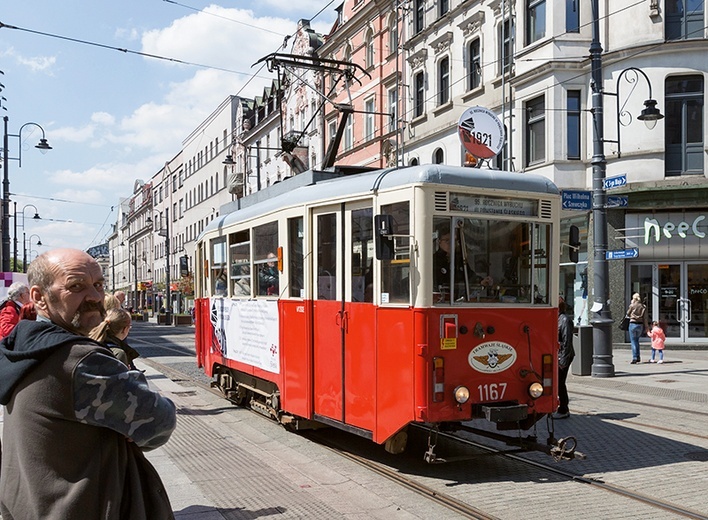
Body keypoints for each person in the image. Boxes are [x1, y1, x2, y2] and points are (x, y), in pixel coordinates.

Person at [0, 248, 176, 519]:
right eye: (76, 286)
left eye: (98, 285)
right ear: (39, 297)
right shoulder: (80, 361)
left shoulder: (23, 346)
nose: (94, 297)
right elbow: (160, 421)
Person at [433, 223, 493, 296]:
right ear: (439, 242)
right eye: (447, 241)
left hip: (457, 299)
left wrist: (481, 281)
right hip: (440, 300)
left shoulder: (458, 259)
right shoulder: (434, 260)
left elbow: (469, 275)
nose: (451, 244)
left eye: (454, 240)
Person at [554, 296, 575, 420]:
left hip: (563, 355)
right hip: (558, 354)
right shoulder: (556, 319)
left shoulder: (565, 320)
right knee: (557, 382)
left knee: (560, 382)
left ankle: (563, 408)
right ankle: (561, 407)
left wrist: (563, 360)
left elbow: (567, 341)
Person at [626, 292, 648, 364]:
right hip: (640, 325)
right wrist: (646, 327)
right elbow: (645, 318)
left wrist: (631, 305)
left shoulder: (632, 305)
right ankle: (638, 356)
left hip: (633, 324)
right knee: (637, 341)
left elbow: (628, 313)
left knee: (633, 341)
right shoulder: (643, 306)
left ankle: (635, 357)